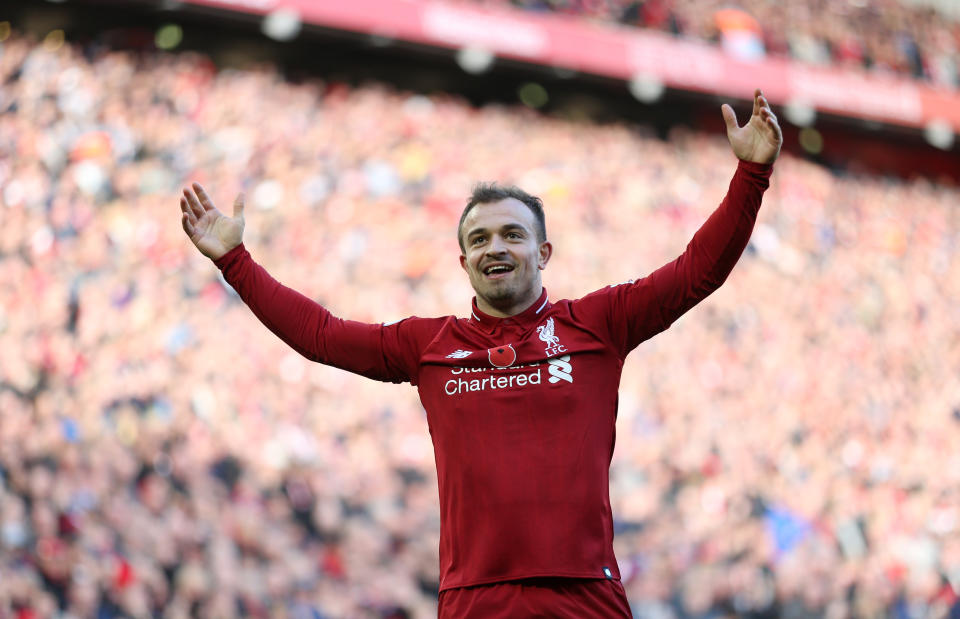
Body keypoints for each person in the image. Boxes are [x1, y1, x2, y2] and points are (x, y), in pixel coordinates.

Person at [178, 88, 782, 617]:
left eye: (513, 234)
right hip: (475, 598)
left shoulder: (600, 323)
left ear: (543, 253)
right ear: (464, 262)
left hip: (584, 596)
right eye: (479, 238)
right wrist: (235, 261)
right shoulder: (428, 345)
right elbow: (322, 335)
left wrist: (751, 176)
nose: (497, 247)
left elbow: (697, 272)